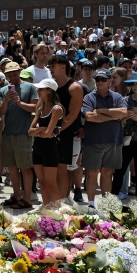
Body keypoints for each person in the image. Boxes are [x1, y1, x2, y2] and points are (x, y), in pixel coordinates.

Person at [81, 68, 127, 205]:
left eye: (103, 79)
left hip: (113, 141)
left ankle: (106, 205)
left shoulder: (117, 97)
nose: (100, 82)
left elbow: (124, 112)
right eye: (98, 79)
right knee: (92, 173)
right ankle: (91, 204)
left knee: (107, 172)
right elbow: (89, 117)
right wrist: (113, 116)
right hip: (93, 141)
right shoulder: (89, 97)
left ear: (110, 81)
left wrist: (101, 112)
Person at [0, 62, 37, 209]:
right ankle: (17, 196)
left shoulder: (30, 87)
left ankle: (27, 198)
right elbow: (1, 112)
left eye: (15, 73)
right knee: (12, 167)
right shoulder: (3, 91)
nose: (12, 76)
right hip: (8, 133)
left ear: (20, 72)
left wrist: (20, 103)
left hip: (23, 133)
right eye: (10, 74)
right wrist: (7, 100)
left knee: (25, 167)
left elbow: (35, 107)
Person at [50, 55, 83, 199]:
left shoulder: (74, 87)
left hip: (65, 133)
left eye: (53, 66)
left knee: (62, 169)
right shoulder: (51, 86)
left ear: (63, 67)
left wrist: (55, 130)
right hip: (49, 133)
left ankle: (62, 203)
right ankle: (53, 201)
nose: (50, 70)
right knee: (51, 169)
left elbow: (72, 115)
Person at [28, 78, 64, 206]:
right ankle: (46, 209)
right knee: (42, 183)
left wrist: (39, 131)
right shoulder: (40, 108)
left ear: (49, 91)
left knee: (51, 183)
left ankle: (58, 210)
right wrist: (41, 130)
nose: (38, 91)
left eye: (41, 89)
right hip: (37, 147)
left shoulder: (57, 109)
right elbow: (30, 131)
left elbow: (48, 134)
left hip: (50, 148)